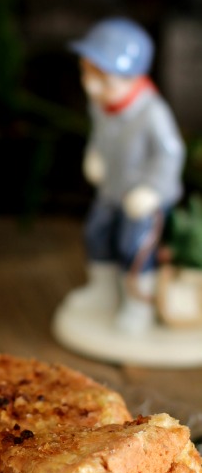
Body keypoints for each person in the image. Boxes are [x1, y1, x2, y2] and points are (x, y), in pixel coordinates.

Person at [68, 17, 185, 333]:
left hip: (142, 198)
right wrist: (94, 154)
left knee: (134, 247)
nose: (91, 86)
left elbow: (170, 154)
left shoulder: (152, 113)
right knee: (96, 234)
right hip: (111, 190)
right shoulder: (100, 104)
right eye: (86, 74)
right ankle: (103, 292)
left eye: (104, 80)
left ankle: (137, 305)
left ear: (132, 77)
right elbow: (100, 136)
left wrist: (152, 190)